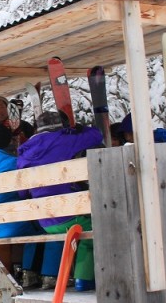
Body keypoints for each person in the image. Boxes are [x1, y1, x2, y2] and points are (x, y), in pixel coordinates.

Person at [16, 110, 103, 291]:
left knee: (59, 235)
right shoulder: (64, 140)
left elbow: (22, 194)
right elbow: (96, 135)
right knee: (95, 230)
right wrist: (79, 128)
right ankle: (83, 279)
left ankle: (53, 276)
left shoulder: (24, 153)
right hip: (68, 215)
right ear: (58, 127)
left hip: (44, 219)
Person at [0, 123, 42, 288]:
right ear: (7, 141)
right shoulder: (13, 163)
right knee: (40, 229)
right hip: (12, 221)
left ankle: (21, 270)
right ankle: (31, 272)